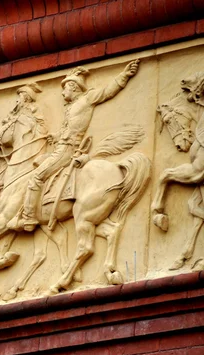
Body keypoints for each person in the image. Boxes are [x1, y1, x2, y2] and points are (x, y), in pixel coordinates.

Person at [17, 60, 140, 231]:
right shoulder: (72, 107)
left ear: (74, 87)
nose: (62, 93)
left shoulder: (86, 99)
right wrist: (56, 135)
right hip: (61, 147)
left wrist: (123, 76)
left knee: (36, 177)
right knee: (36, 162)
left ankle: (29, 218)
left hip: (67, 150)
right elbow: (69, 129)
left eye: (65, 88)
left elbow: (106, 92)